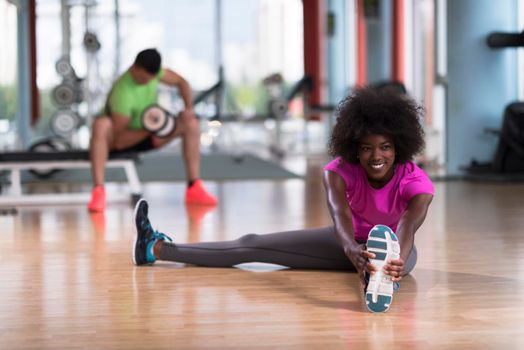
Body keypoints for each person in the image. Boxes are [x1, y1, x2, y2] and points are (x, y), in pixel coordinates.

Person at [131, 86, 434, 313]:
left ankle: (383, 276)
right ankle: (155, 247)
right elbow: (340, 217)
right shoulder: (339, 172)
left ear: (399, 148)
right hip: (346, 242)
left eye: (385, 147)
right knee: (251, 243)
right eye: (367, 148)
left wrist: (397, 259)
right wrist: (353, 250)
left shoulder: (415, 181)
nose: (376, 156)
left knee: (390, 255)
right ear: (355, 148)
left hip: (397, 251)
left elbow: (408, 224)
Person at [88, 48, 217, 212]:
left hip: (150, 132)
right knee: (102, 124)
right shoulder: (123, 92)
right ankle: (99, 191)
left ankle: (194, 187)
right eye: (142, 78)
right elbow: (119, 142)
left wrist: (188, 109)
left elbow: (182, 82)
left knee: (190, 123)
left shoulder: (155, 74)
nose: (146, 82)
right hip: (123, 139)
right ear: (135, 67)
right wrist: (151, 128)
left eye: (150, 79)